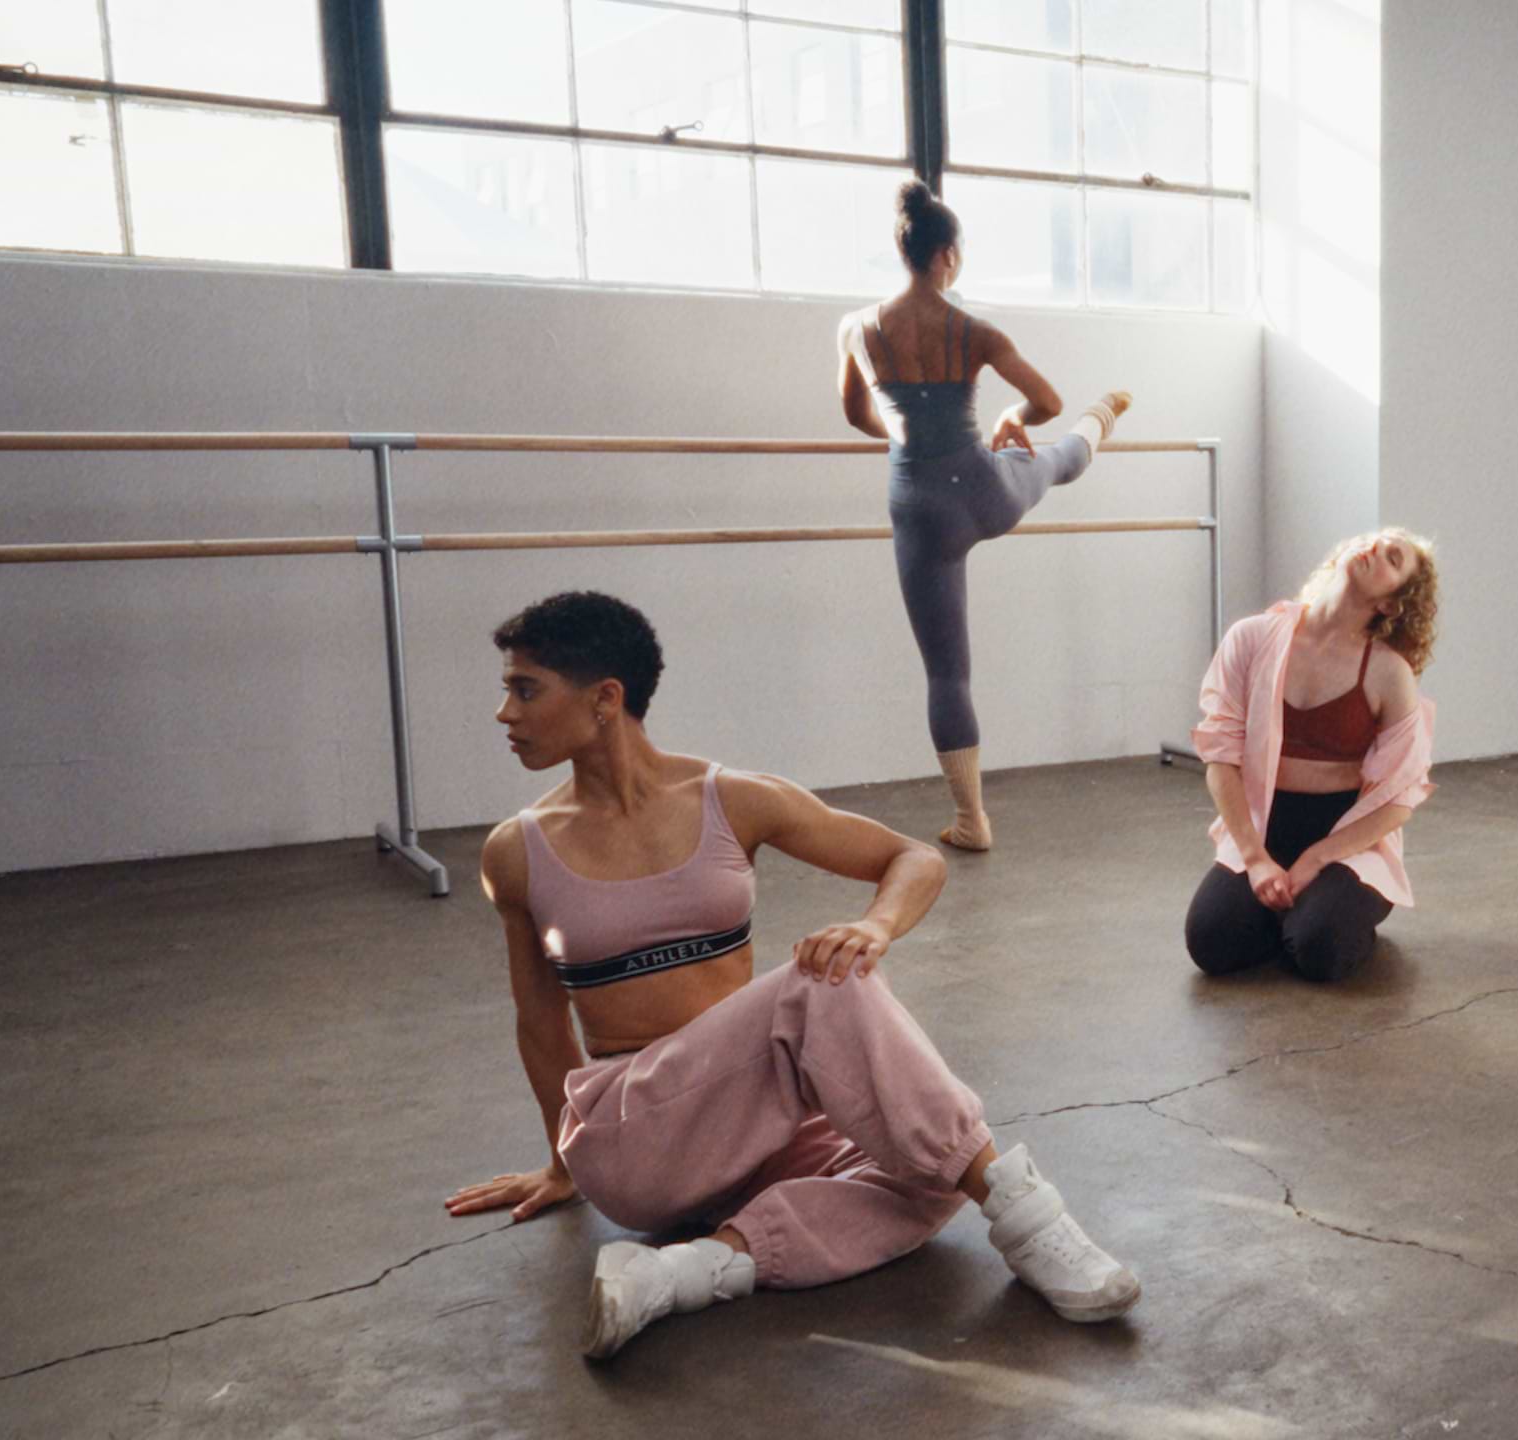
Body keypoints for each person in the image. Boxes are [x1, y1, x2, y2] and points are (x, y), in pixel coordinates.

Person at [444, 591, 1139, 1359]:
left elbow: (913, 857)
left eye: (525, 688)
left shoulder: (730, 800)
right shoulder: (518, 851)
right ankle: (1035, 1222)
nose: (505, 713)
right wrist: (562, 1164)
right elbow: (539, 1021)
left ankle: (691, 1271)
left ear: (606, 698)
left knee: (934, 1172)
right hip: (633, 1134)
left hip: (759, 1128)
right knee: (822, 984)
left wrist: (874, 926)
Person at [836, 181, 1132, 851]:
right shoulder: (974, 331)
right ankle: (1105, 413)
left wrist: (905, 434)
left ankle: (972, 821)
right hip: (981, 490)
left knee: (946, 673)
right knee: (1056, 458)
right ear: (948, 255)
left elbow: (856, 413)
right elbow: (1045, 399)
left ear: (902, 249)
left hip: (918, 509)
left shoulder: (856, 328)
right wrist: (1009, 417)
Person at [1186, 530, 1440, 983]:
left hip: (1346, 838)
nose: (1374, 547)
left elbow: (1400, 800)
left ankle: (1326, 914)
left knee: (1321, 951)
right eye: (1374, 539)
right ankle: (1298, 913)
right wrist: (1256, 857)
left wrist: (1318, 859)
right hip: (1265, 828)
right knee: (1210, 943)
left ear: (1390, 604)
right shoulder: (1251, 638)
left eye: (1393, 556)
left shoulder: (1388, 672)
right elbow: (1220, 757)